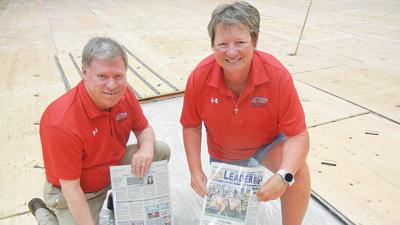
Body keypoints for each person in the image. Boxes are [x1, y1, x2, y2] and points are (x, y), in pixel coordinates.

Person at [180, 2, 310, 225]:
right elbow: (191, 124)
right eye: (222, 44)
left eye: (240, 42)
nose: (231, 52)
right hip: (224, 153)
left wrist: (283, 175)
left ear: (255, 41)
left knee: (298, 174)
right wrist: (195, 170)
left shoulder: (277, 75)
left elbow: (298, 134)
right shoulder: (199, 77)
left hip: (267, 144)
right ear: (212, 45)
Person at [28, 37, 171, 225]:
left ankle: (121, 199)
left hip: (110, 170)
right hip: (78, 191)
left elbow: (144, 129)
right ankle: (44, 213)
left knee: (158, 150)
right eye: (102, 77)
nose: (112, 85)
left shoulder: (125, 94)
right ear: (85, 73)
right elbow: (71, 188)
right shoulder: (61, 122)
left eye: (118, 76)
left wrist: (145, 150)